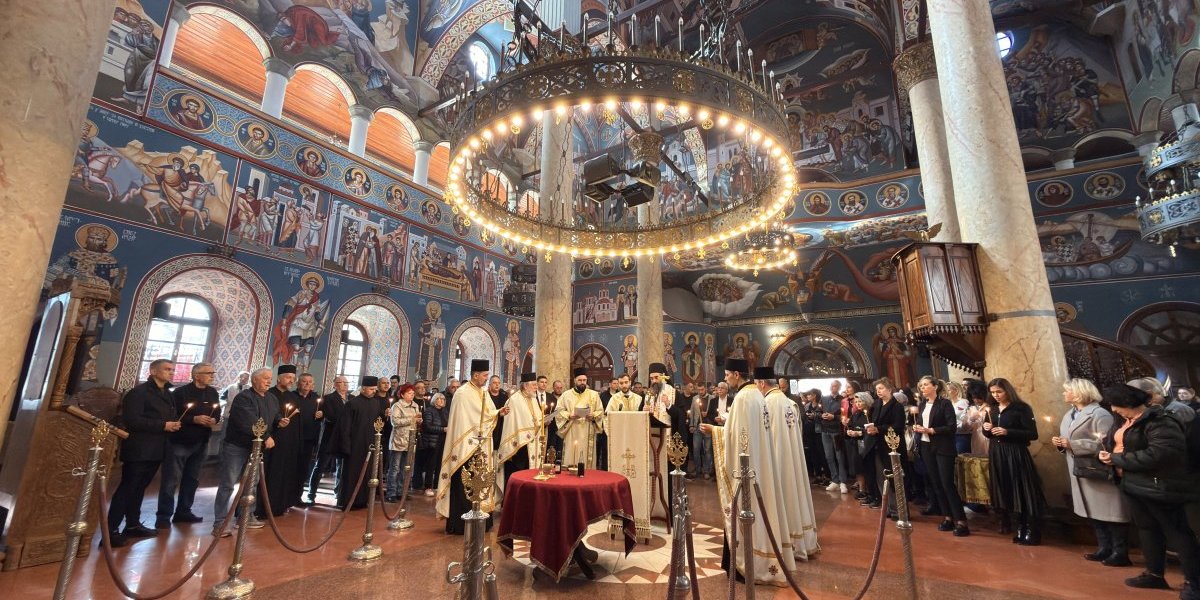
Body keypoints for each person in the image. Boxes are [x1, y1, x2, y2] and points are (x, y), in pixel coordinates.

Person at [1100, 384, 1200, 595]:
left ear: (1129, 403)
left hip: (1159, 485)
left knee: (1178, 533)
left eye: (1116, 405)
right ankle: (1154, 574)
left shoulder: (1161, 421)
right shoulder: (1126, 420)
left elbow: (1162, 454)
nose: (1113, 410)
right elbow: (1123, 443)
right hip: (1133, 484)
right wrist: (1107, 451)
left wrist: (1118, 459)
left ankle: (1194, 583)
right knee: (1147, 529)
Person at [704, 358, 794, 584]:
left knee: (746, 511)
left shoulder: (744, 398)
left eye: (726, 375)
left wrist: (714, 431)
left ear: (736, 374)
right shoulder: (757, 395)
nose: (724, 378)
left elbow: (737, 438)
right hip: (760, 464)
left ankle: (750, 564)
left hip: (748, 468)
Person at [1050, 378, 1131, 566]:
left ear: (1079, 392)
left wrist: (1074, 444)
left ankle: (1120, 552)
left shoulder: (1100, 414)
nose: (1064, 394)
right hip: (1079, 469)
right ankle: (1104, 548)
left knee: (1111, 512)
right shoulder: (1069, 414)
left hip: (1098, 469)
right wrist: (1061, 445)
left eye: (1067, 391)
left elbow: (1106, 443)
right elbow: (1067, 439)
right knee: (1093, 511)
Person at [107, 359, 180, 547]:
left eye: (172, 370)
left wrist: (173, 424)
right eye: (166, 369)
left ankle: (132, 525)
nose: (171, 372)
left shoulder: (167, 393)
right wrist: (163, 425)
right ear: (153, 371)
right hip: (140, 448)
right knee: (127, 488)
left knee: (140, 488)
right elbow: (132, 420)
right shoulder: (139, 393)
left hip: (157, 448)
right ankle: (111, 530)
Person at [437, 360, 508, 534]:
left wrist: (499, 412)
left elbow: (487, 413)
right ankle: (460, 525)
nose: (486, 379)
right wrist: (494, 415)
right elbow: (466, 419)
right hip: (465, 446)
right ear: (475, 375)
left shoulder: (482, 393)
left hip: (481, 446)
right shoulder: (462, 393)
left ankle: (481, 520)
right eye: (484, 375)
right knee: (464, 484)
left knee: (480, 482)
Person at [756, 366, 820, 557]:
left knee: (782, 495)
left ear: (761, 383)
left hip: (777, 459)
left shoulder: (767, 403)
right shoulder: (788, 402)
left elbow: (764, 435)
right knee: (795, 492)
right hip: (793, 459)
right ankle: (800, 537)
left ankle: (785, 540)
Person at [214, 368, 279, 536]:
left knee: (252, 483)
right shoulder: (243, 398)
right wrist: (265, 437)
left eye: (270, 378)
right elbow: (248, 421)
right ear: (255, 380)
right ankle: (219, 522)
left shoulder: (272, 398)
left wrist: (280, 421)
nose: (268, 381)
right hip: (237, 446)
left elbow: (272, 417)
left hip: (256, 449)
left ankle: (246, 516)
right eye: (265, 378)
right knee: (228, 483)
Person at [983, 377, 1047, 545]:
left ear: (1007, 391)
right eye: (992, 392)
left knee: (1023, 490)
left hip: (1015, 452)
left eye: (999, 392)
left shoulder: (1021, 408)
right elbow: (988, 433)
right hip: (997, 453)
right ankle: (1019, 526)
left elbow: (1032, 434)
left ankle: (1031, 529)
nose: (996, 395)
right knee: (1007, 490)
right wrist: (986, 429)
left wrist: (1007, 432)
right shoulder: (993, 410)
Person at [156, 361, 219, 529]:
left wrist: (214, 419)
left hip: (201, 441)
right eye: (209, 373)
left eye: (213, 373)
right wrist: (193, 419)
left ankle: (184, 511)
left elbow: (217, 412)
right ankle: (163, 515)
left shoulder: (212, 393)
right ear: (196, 375)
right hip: (180, 441)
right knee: (171, 479)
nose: (212, 376)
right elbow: (172, 414)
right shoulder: (180, 392)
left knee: (192, 479)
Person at [912, 376, 970, 536]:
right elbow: (922, 422)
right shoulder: (922, 404)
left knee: (947, 483)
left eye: (925, 385)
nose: (922, 388)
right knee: (936, 483)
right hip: (926, 446)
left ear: (935, 387)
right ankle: (947, 517)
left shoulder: (944, 404)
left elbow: (951, 427)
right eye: (920, 385)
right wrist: (917, 427)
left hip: (943, 447)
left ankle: (961, 521)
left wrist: (931, 430)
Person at [333, 376, 385, 509]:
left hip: (370, 444)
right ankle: (348, 502)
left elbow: (378, 423)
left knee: (367, 472)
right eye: (371, 389)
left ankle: (363, 500)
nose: (374, 391)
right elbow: (345, 427)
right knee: (352, 473)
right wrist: (346, 446)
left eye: (375, 389)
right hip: (354, 445)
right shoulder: (353, 404)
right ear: (363, 389)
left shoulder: (376, 403)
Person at [261, 365, 301, 517]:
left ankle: (280, 504)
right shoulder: (269, 394)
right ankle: (263, 507)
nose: (291, 380)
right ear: (278, 378)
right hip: (271, 439)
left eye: (293, 378)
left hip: (288, 442)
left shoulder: (293, 397)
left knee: (284, 472)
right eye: (288, 377)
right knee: (269, 473)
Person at [870, 377, 908, 519]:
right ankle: (889, 507)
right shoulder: (877, 404)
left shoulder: (896, 406)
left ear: (889, 389)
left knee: (895, 479)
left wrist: (878, 429)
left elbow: (898, 426)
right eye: (877, 389)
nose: (878, 391)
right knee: (882, 477)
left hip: (893, 446)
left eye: (881, 388)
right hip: (878, 445)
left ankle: (900, 510)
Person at [307, 376, 348, 504]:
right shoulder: (329, 398)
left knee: (341, 467)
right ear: (335, 385)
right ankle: (311, 494)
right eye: (340, 382)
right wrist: (346, 422)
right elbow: (331, 415)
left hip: (344, 438)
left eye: (345, 382)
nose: (344, 385)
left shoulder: (351, 399)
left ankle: (338, 493)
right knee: (320, 465)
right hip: (329, 437)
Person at [499, 373, 544, 487]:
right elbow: (512, 423)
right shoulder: (514, 400)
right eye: (534, 385)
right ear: (525, 386)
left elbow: (536, 418)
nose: (536, 387)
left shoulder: (533, 398)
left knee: (530, 473)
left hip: (532, 444)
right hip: (519, 446)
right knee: (520, 474)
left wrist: (543, 421)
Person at [554, 367, 604, 468]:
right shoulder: (566, 395)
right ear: (575, 381)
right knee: (571, 454)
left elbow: (600, 411)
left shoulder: (594, 394)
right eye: (580, 380)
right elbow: (558, 411)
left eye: (584, 380)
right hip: (572, 430)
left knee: (586, 457)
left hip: (588, 428)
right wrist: (569, 415)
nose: (582, 382)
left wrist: (593, 415)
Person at [386, 384, 421, 502]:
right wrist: (412, 419)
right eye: (409, 393)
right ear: (402, 394)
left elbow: (416, 420)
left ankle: (401, 492)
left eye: (413, 393)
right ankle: (391, 492)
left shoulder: (415, 405)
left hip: (410, 440)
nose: (412, 395)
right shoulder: (397, 406)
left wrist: (419, 420)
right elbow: (395, 422)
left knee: (405, 469)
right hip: (398, 440)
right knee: (395, 468)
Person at [293, 372, 323, 507]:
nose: (307, 384)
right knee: (289, 469)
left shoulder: (317, 399)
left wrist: (321, 414)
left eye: (310, 382)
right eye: (304, 381)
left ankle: (297, 497)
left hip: (309, 439)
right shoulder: (291, 397)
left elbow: (322, 417)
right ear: (298, 383)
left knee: (302, 470)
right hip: (293, 439)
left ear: (313, 384)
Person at [846, 392, 878, 507]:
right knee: (861, 469)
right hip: (857, 444)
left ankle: (875, 495)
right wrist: (849, 430)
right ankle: (868, 493)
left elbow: (871, 428)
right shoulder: (856, 413)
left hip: (869, 445)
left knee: (871, 471)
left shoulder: (871, 412)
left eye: (860, 401)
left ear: (866, 400)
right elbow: (851, 425)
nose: (858, 404)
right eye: (856, 402)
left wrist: (859, 432)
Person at [819, 380, 849, 494]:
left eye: (835, 385)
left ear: (839, 387)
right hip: (825, 430)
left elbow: (844, 415)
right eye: (831, 385)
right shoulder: (824, 398)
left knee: (839, 457)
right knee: (829, 456)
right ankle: (835, 480)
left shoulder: (843, 400)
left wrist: (834, 417)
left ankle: (843, 481)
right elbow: (818, 411)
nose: (833, 387)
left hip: (837, 431)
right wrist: (821, 415)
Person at [417, 392, 449, 496]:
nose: (442, 401)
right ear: (434, 400)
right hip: (432, 441)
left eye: (443, 399)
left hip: (443, 441)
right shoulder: (429, 411)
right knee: (431, 465)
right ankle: (428, 486)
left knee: (440, 464)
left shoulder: (445, 412)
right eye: (439, 399)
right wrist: (443, 429)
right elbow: (427, 426)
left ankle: (436, 485)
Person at [948, 381, 973, 455]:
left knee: (961, 457)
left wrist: (960, 425)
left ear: (956, 391)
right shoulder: (948, 403)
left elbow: (965, 417)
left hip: (962, 435)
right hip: (951, 435)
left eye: (948, 390)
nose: (946, 392)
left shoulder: (963, 402)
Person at [488, 375, 509, 452]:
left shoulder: (504, 396)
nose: (497, 385)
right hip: (490, 427)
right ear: (489, 385)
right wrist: (498, 414)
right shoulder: (487, 396)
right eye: (494, 383)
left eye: (498, 383)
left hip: (501, 425)